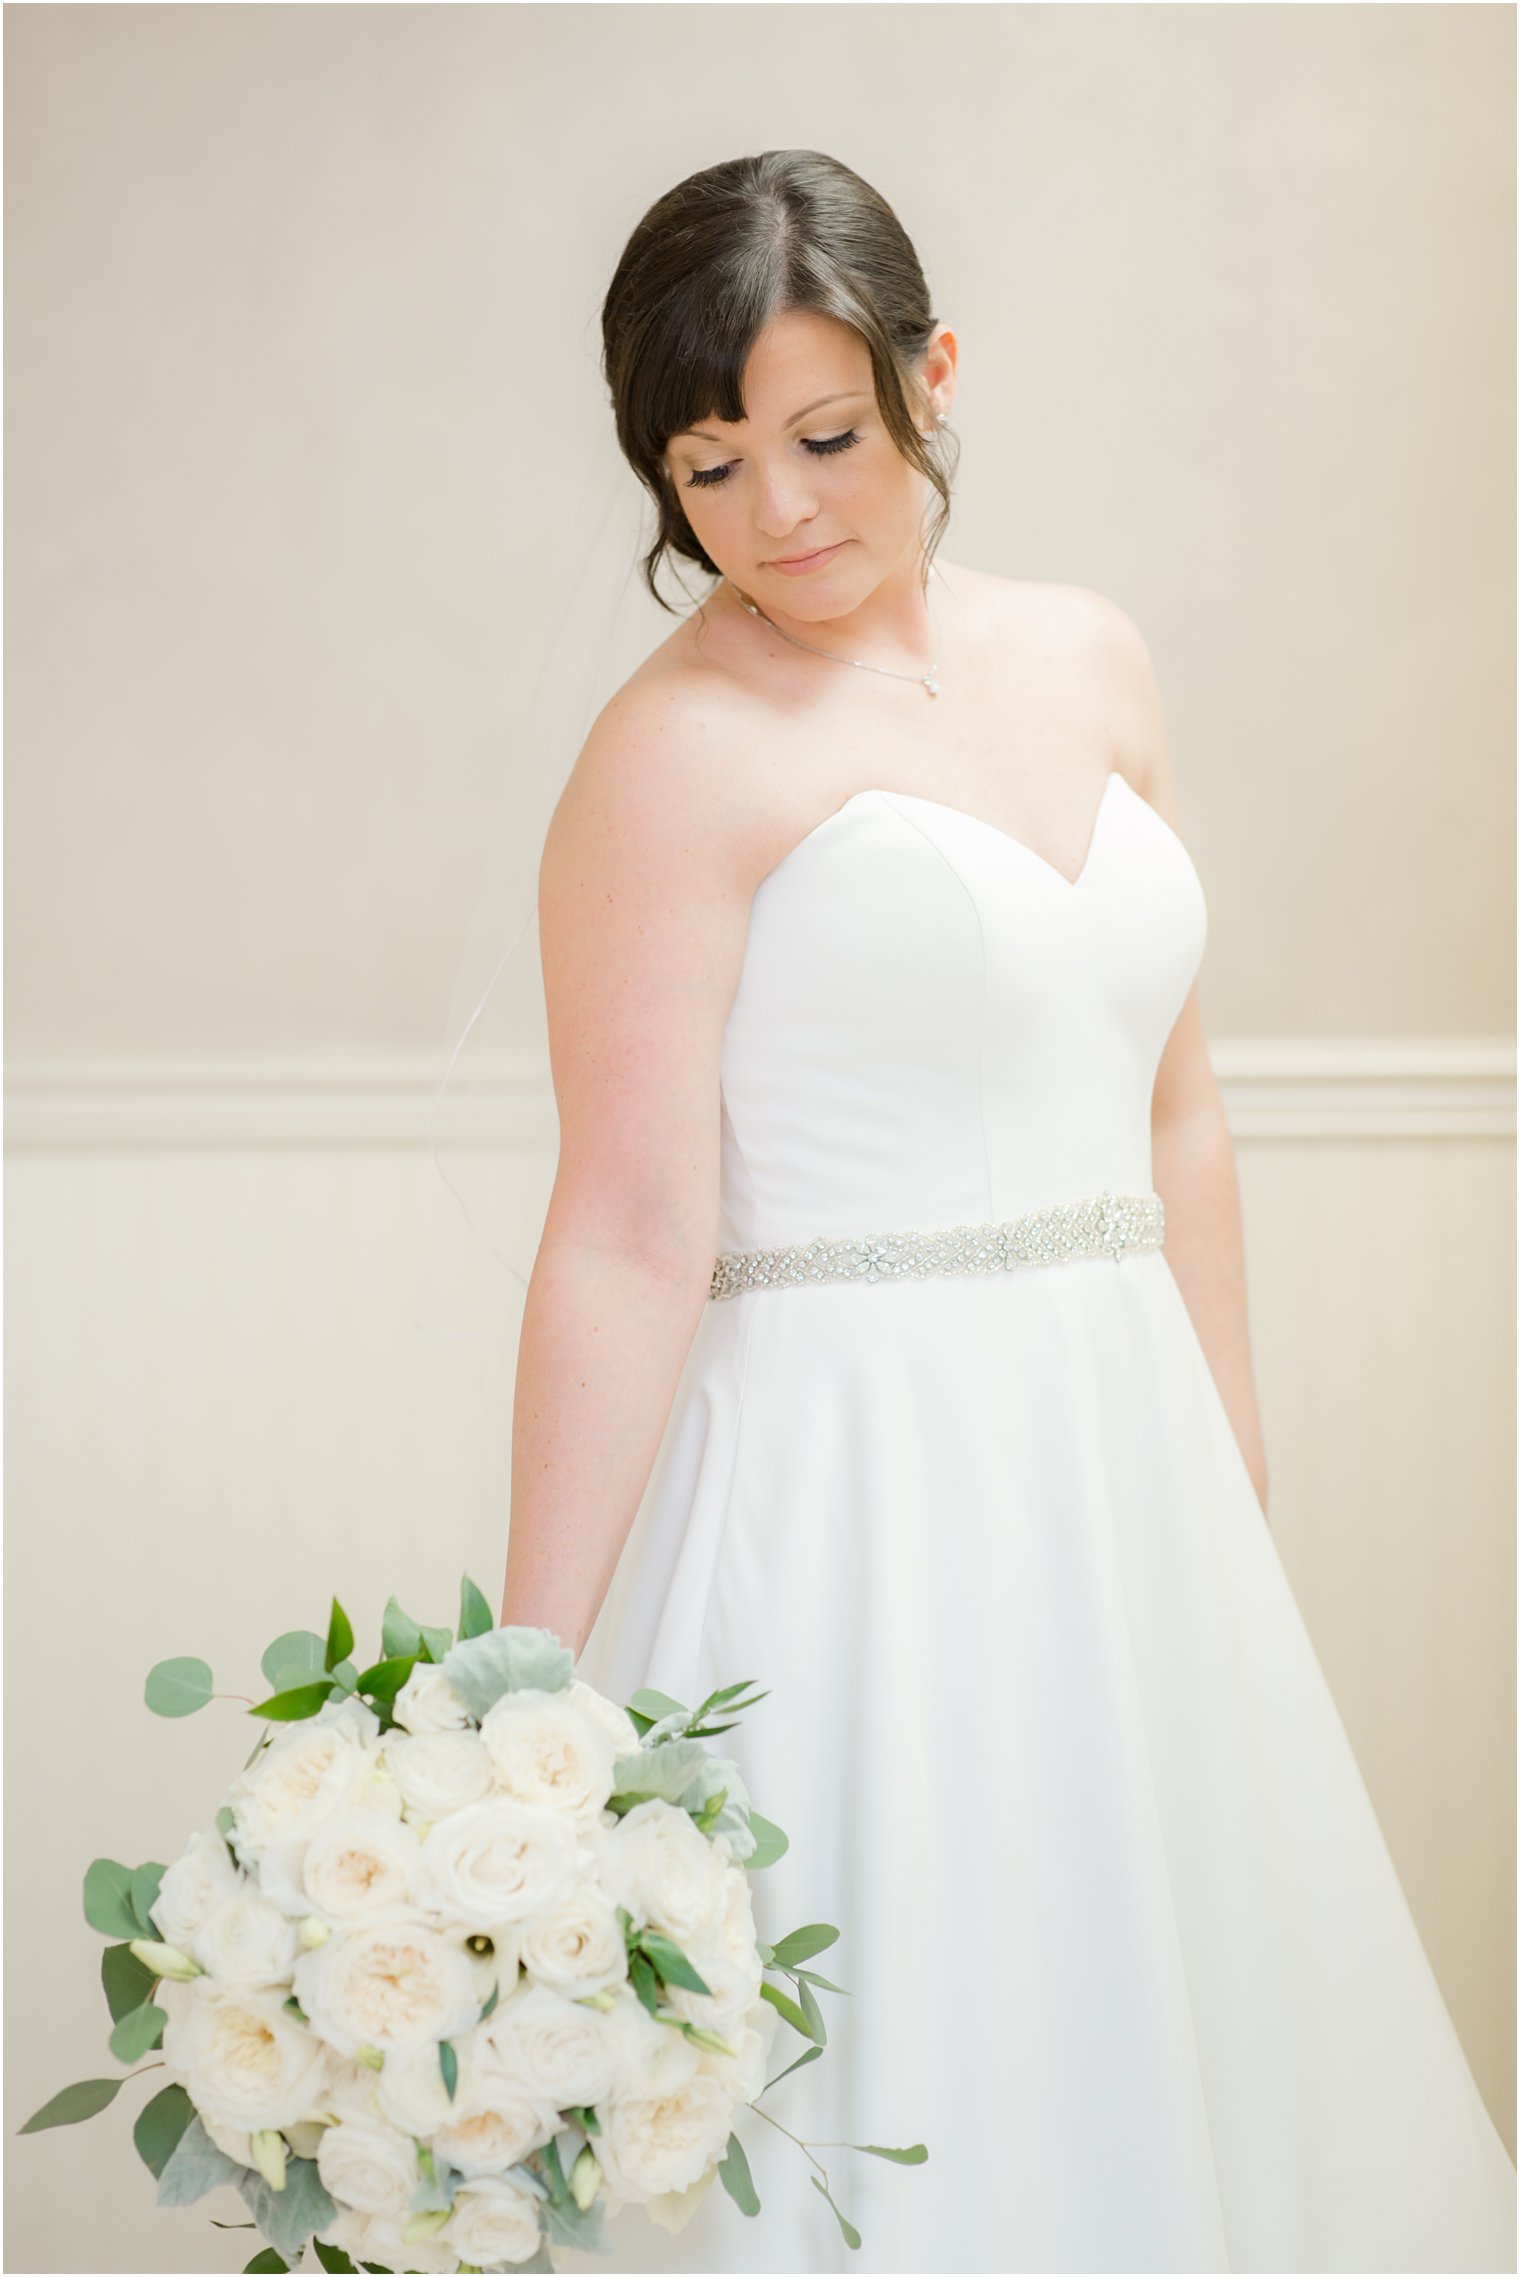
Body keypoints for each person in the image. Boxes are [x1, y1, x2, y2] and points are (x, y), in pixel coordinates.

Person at [479, 152, 1516, 2273]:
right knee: (912, 2037)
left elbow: (1182, 1116)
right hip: (853, 1488)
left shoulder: (1092, 655)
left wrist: (1228, 1476)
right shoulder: (667, 760)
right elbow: (623, 1225)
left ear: (932, 376)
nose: (780, 509)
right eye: (709, 464)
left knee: (1180, 2030)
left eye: (825, 435)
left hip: (1122, 1468)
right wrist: (523, 1694)